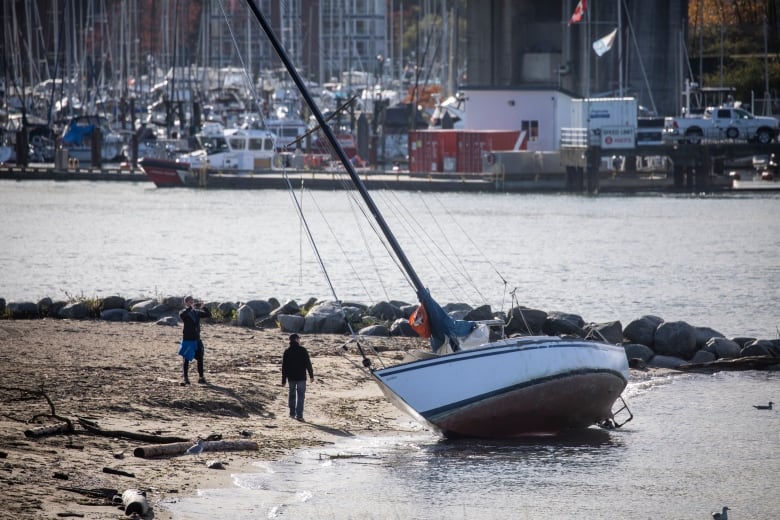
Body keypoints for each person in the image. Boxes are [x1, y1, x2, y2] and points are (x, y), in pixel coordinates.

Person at [178, 296, 210, 385]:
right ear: (186, 303)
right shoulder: (183, 312)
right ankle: (185, 378)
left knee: (200, 358)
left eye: (192, 301)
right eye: (189, 302)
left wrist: (203, 306)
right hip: (187, 339)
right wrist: (190, 308)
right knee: (186, 359)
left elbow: (208, 315)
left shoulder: (196, 312)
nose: (192, 303)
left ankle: (201, 377)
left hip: (197, 339)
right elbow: (182, 315)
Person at [281, 333, 314, 421]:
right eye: (299, 339)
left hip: (291, 377)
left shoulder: (287, 351)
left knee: (292, 395)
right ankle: (299, 415)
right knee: (301, 396)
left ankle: (292, 413)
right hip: (301, 377)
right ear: (296, 340)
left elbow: (284, 367)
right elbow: (308, 363)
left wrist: (283, 380)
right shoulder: (303, 350)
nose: (300, 340)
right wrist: (311, 375)